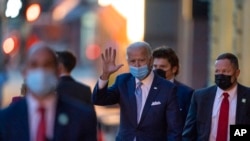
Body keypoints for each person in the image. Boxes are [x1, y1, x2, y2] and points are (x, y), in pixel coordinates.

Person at [0, 42, 97, 141]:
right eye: (34, 65)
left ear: (58, 71)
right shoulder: (5, 119)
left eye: (47, 65)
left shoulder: (81, 118)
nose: (41, 71)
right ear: (24, 72)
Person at [92, 41, 182, 141]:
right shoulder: (122, 82)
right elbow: (98, 99)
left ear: (151, 60)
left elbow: (174, 129)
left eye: (141, 60)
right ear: (127, 62)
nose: (137, 65)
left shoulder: (167, 88)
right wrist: (105, 75)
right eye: (133, 61)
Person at [182, 53, 250, 141]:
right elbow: (189, 132)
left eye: (225, 71)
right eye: (217, 71)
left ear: (237, 73)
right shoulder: (200, 97)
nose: (220, 75)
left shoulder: (247, 96)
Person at [152, 46, 194, 128]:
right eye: (155, 66)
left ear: (174, 69)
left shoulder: (187, 93)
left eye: (162, 67)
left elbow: (189, 124)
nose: (157, 70)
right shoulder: (145, 89)